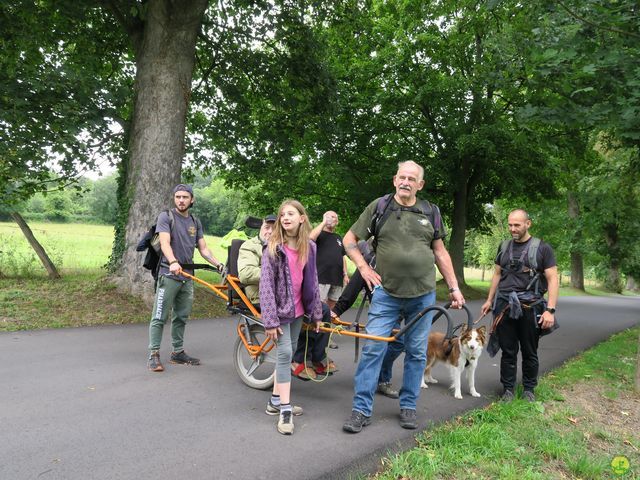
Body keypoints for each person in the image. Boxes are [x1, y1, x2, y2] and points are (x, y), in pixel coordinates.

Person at [341, 161, 465, 433]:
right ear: (394, 180)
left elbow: (441, 252)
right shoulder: (380, 207)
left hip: (422, 296)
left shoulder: (430, 211)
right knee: (374, 348)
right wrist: (363, 267)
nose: (406, 182)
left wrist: (454, 287)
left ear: (420, 184)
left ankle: (408, 406)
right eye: (402, 177)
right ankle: (361, 410)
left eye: (412, 178)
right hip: (386, 294)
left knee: (417, 353)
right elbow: (349, 239)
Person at [480, 209, 558, 402]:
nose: (513, 229)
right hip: (504, 305)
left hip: (531, 307)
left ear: (528, 224)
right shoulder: (504, 246)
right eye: (510, 225)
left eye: (517, 225)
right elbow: (497, 274)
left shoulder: (542, 248)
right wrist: (490, 300)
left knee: (529, 350)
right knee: (508, 350)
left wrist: (550, 310)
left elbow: (553, 278)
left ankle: (529, 390)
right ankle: (508, 389)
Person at [260, 199, 323, 435]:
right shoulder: (274, 247)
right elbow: (266, 285)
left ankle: (274, 402)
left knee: (292, 349)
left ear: (302, 218)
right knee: (285, 354)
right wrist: (270, 320)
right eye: (282, 215)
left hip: (298, 309)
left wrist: (316, 313)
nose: (285, 218)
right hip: (278, 311)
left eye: (290, 214)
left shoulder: (310, 247)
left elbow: (313, 282)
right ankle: (285, 409)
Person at [147, 184, 224, 372]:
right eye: (178, 197)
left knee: (181, 316)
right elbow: (164, 242)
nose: (181, 200)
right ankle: (154, 354)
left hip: (187, 277)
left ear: (192, 200)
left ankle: (177, 353)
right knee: (159, 316)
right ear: (174, 198)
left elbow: (203, 248)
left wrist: (218, 264)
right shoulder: (166, 217)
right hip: (169, 273)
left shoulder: (195, 221)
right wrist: (173, 262)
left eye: (185, 197)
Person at [331, 240, 402, 399]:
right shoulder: (370, 261)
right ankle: (374, 380)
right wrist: (336, 311)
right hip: (381, 312)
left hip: (398, 311)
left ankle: (378, 377)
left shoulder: (401, 260)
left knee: (398, 343)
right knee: (376, 345)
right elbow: (353, 288)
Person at [310, 211, 349, 309]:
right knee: (319, 304)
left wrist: (345, 274)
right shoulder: (319, 234)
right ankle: (317, 323)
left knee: (333, 304)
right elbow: (310, 238)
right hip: (322, 276)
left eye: (334, 217)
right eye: (329, 216)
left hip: (337, 278)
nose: (331, 218)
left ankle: (328, 323)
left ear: (337, 222)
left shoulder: (338, 237)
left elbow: (342, 256)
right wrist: (323, 222)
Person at [237, 214, 277, 306]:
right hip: (261, 295)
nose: (270, 231)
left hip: (283, 295)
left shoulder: (281, 247)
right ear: (260, 228)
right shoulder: (250, 246)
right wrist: (276, 274)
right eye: (267, 227)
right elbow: (245, 274)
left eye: (274, 228)